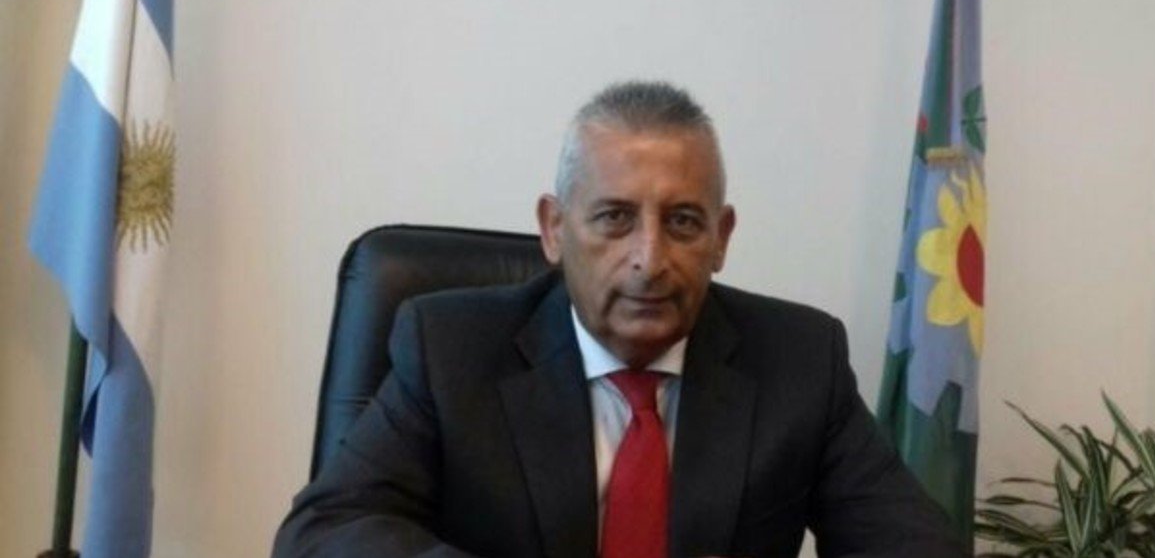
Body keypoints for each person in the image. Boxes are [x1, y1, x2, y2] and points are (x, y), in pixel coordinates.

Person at [273, 82, 963, 557]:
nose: (649, 259)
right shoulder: (450, 348)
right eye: (614, 218)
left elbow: (915, 545)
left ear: (721, 237)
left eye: (683, 222)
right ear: (554, 229)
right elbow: (325, 530)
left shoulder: (800, 360)